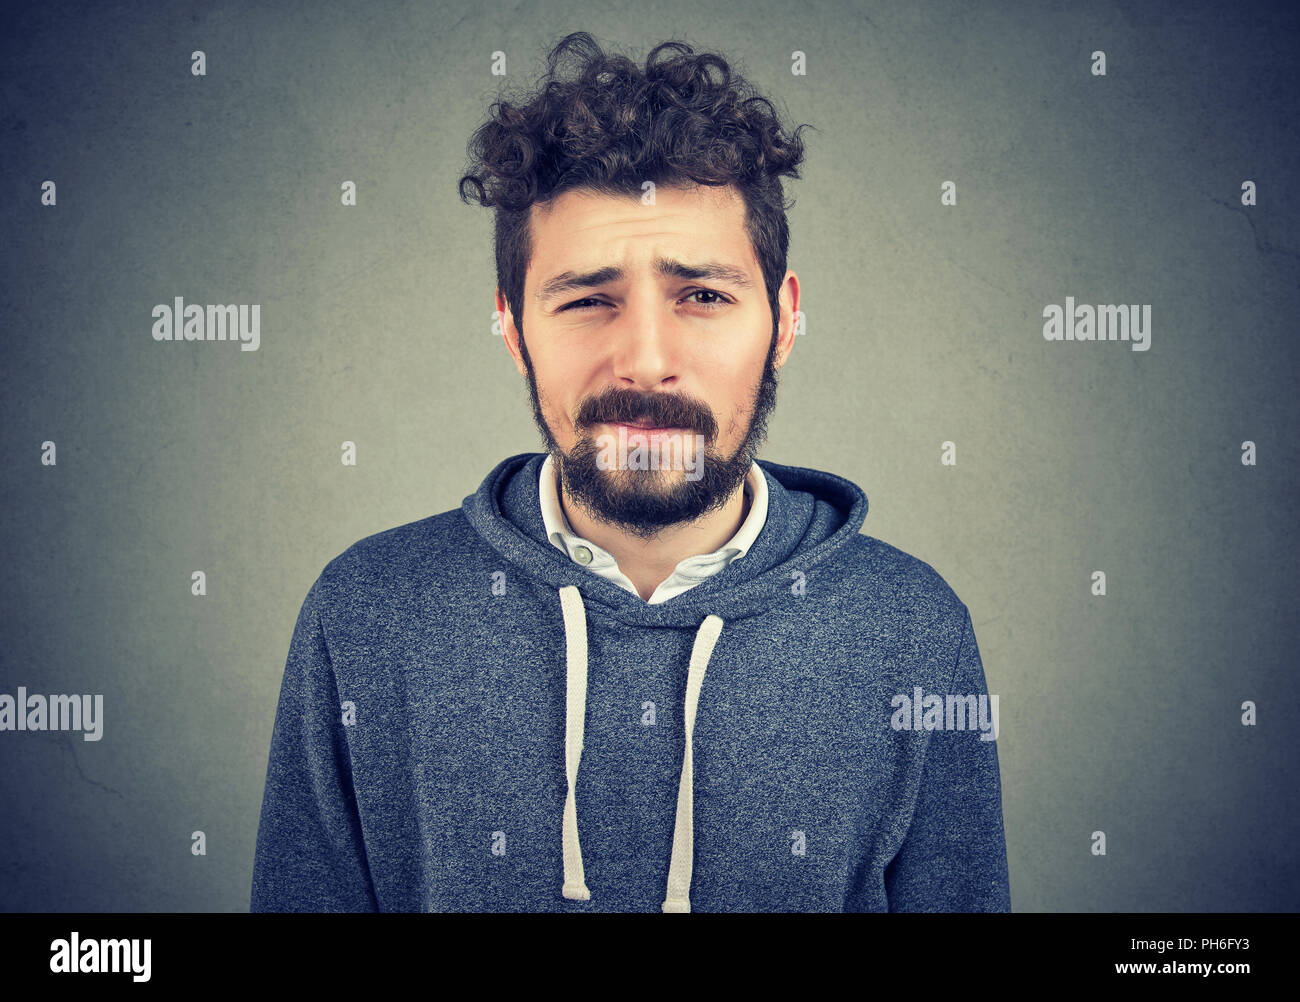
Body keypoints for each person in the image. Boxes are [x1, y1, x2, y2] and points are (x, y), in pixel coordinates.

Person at [251, 32, 1010, 913]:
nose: (646, 361)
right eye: (586, 301)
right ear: (512, 330)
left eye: (704, 296)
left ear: (786, 319)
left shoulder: (913, 628)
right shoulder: (366, 611)